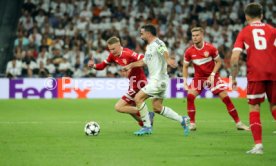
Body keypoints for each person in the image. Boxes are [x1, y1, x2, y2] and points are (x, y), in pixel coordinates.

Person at [123, 24, 190, 136]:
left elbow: (163, 51)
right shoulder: (149, 47)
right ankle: (182, 120)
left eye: (142, 33)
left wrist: (168, 60)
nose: (141, 35)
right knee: (157, 108)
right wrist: (130, 65)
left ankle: (147, 126)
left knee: (138, 98)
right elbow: (143, 61)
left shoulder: (158, 43)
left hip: (158, 80)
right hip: (160, 80)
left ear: (148, 33)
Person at [183, 27, 249, 131]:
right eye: (193, 36)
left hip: (213, 77)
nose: (195, 37)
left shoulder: (211, 48)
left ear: (202, 35)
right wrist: (184, 82)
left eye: (197, 35)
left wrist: (212, 74)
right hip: (199, 78)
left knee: (225, 98)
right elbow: (185, 66)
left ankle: (239, 123)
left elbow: (219, 62)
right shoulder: (189, 51)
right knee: (190, 97)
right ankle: (192, 124)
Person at [230, 2, 276, 154]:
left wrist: (233, 77)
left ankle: (258, 146)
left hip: (256, 74)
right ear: (262, 15)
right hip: (274, 73)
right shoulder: (272, 30)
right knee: (274, 106)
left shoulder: (244, 32)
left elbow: (235, 57)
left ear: (246, 16)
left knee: (254, 107)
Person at [88, 36, 154, 127]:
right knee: (128, 107)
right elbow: (102, 65)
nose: (112, 51)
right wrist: (94, 66)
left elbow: (143, 58)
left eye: (113, 49)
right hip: (132, 83)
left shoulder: (128, 53)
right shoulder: (112, 55)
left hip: (139, 83)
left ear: (119, 45)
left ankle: (146, 114)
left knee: (119, 107)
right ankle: (145, 125)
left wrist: (131, 65)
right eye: (110, 49)